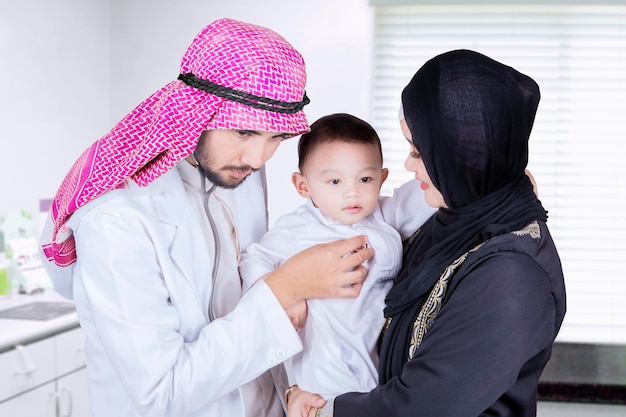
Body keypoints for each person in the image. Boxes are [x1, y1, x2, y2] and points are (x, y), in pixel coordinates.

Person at [38, 18, 374, 417]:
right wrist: (284, 286)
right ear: (195, 111)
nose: (258, 158)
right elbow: (161, 393)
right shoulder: (117, 219)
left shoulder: (239, 171)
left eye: (276, 138)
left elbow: (244, 310)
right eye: (245, 132)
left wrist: (291, 389)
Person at [287, 50, 566, 417]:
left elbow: (422, 406)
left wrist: (319, 411)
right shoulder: (452, 219)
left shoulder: (512, 275)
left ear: (463, 159)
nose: (407, 164)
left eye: (419, 152)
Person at [239, 113, 435, 400]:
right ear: (303, 186)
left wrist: (500, 178)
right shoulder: (297, 229)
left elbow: (425, 195)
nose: (352, 192)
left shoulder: (383, 215)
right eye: (334, 182)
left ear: (381, 179)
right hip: (324, 369)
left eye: (365, 178)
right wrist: (279, 296)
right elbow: (255, 259)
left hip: (378, 367)